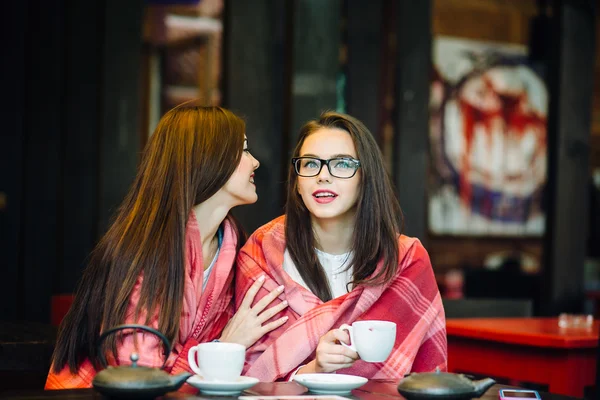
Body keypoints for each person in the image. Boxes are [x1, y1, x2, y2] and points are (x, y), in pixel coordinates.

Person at [46, 104, 289, 389]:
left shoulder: (236, 248)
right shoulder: (145, 254)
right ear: (209, 159)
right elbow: (140, 376)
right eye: (244, 150)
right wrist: (225, 347)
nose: (255, 162)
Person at [235, 111, 447, 381]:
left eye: (343, 164)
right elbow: (243, 371)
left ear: (365, 178)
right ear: (297, 183)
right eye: (311, 164)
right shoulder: (262, 254)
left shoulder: (406, 260)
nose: (323, 176)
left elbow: (430, 378)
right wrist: (313, 370)